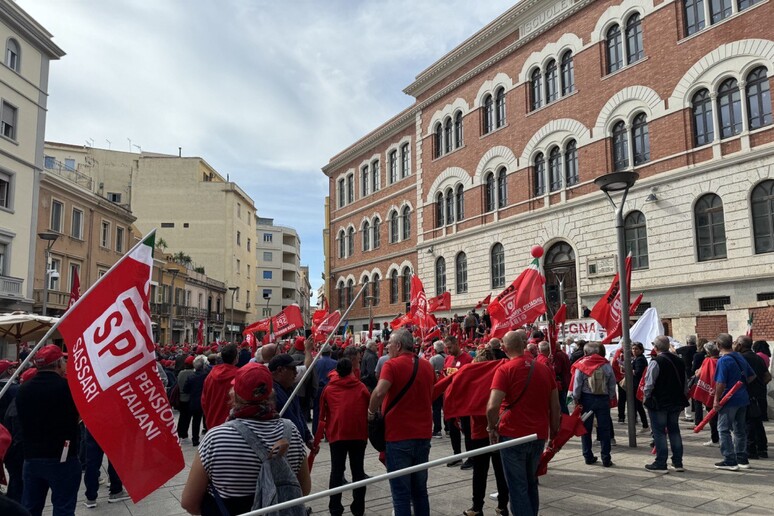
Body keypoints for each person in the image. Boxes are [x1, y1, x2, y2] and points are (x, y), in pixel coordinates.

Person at [181, 363, 310, 515]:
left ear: (234, 394)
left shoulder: (215, 438)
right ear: (270, 393)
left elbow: (189, 502)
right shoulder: (291, 431)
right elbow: (304, 488)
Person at [486, 330, 560, 516]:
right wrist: (553, 433)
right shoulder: (543, 369)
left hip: (512, 434)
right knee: (530, 482)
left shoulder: (504, 369)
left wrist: (491, 427)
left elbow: (492, 407)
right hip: (538, 434)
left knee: (517, 486)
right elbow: (556, 406)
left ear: (504, 348)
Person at [368, 329, 434, 516]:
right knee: (420, 491)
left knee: (401, 494)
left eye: (389, 343)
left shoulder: (391, 365)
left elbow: (379, 392)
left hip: (399, 436)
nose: (386, 346)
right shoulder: (427, 365)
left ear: (398, 346)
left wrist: (371, 412)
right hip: (423, 435)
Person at [15, 345, 81, 516]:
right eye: (64, 360)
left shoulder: (23, 390)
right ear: (59, 363)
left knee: (30, 508)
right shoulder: (67, 388)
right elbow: (76, 417)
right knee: (63, 507)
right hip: (62, 457)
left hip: (32, 457)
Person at [320, 358, 369, 516]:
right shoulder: (361, 387)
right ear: (351, 371)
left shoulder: (328, 389)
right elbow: (370, 408)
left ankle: (335, 508)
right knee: (358, 472)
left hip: (337, 434)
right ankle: (358, 508)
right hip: (358, 434)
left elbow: (322, 414)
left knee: (336, 472)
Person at [464, 349, 509, 516]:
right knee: (500, 470)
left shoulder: (472, 376)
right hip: (497, 427)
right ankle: (502, 506)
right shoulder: (499, 373)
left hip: (479, 429)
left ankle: (477, 507)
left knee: (480, 472)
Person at [642, 336, 688, 473]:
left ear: (655, 348)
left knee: (659, 432)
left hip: (659, 401)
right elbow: (685, 383)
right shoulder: (679, 361)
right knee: (674, 430)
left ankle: (661, 462)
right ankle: (678, 462)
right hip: (676, 401)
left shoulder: (656, 362)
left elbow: (649, 383)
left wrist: (646, 397)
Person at [713, 333, 756, 471]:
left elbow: (720, 382)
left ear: (718, 345)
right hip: (742, 397)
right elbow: (752, 375)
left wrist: (716, 399)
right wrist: (740, 385)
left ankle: (730, 460)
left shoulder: (723, 360)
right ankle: (742, 458)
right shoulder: (740, 357)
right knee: (740, 430)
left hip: (729, 399)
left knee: (723, 429)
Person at [572, 342, 616, 467]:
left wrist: (576, 399)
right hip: (603, 399)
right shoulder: (606, 365)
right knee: (604, 428)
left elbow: (577, 385)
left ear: (586, 353)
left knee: (585, 429)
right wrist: (610, 396)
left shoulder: (581, 365)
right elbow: (612, 383)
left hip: (586, 399)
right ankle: (606, 458)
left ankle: (588, 456)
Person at [736, 336, 770, 459]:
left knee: (748, 423)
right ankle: (762, 449)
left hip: (747, 394)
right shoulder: (758, 358)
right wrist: (760, 387)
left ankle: (751, 450)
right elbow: (767, 376)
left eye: (736, 343)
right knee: (758, 422)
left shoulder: (741, 359)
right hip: (759, 395)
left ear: (740, 345)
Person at [443, 335, 474, 468]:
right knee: (453, 429)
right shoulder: (448, 359)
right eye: (446, 348)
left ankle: (471, 457)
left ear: (456, 344)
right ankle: (457, 455)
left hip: (464, 401)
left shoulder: (468, 359)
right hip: (451, 401)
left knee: (467, 430)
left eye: (450, 347)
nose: (448, 350)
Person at [270, 354, 314, 448]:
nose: (296, 373)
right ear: (280, 370)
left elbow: (299, 415)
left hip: (296, 446)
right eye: (292, 369)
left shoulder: (290, 390)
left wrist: (307, 437)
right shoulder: (271, 394)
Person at [82, 427, 130, 507]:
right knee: (115, 457)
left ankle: (90, 497)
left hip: (92, 424)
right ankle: (116, 490)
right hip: (111, 424)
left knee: (92, 462)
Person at [201, 343, 240, 430]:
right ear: (236, 358)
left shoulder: (210, 375)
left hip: (212, 421)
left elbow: (204, 400)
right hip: (232, 425)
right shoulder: (239, 376)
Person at [184, 355, 209, 446]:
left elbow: (185, 389)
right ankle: (204, 438)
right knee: (203, 419)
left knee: (195, 420)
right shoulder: (206, 375)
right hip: (204, 400)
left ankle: (195, 439)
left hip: (193, 401)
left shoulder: (191, 377)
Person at [676, 335, 698, 421]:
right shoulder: (697, 349)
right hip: (698, 374)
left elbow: (674, 351)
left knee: (688, 393)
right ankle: (697, 413)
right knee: (696, 393)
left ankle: (688, 415)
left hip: (688, 374)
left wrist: (670, 345)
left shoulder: (685, 349)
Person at [429, 341, 447, 438]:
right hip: (446, 387)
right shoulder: (448, 357)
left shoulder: (433, 359)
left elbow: (429, 372)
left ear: (435, 349)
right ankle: (448, 429)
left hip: (436, 387)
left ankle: (437, 430)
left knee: (436, 409)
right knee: (445, 408)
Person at [176, 355, 196, 441]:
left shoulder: (181, 373)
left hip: (181, 398)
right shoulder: (193, 374)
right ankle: (184, 433)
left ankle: (179, 431)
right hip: (188, 398)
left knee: (182, 416)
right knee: (187, 417)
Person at [631, 343, 649, 432]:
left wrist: (629, 369)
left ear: (641, 350)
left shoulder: (640, 359)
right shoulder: (637, 358)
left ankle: (645, 425)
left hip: (637, 385)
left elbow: (638, 372)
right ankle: (640, 424)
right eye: (633, 349)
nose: (634, 351)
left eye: (636, 349)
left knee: (638, 406)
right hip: (635, 384)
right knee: (635, 406)